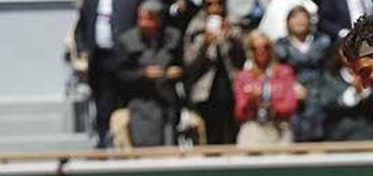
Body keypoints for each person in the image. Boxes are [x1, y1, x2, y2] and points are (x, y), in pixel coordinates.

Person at [74, 0, 144, 148]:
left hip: (126, 59)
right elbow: (81, 28)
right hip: (100, 59)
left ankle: (128, 142)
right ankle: (103, 140)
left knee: (126, 101)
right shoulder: (91, 3)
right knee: (103, 104)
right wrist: (83, 50)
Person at [115, 0, 184, 147]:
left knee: (171, 146)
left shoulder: (174, 37)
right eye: (141, 19)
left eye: (149, 19)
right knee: (147, 146)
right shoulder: (127, 41)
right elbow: (121, 74)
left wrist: (177, 71)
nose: (143, 23)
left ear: (159, 20)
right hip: (142, 104)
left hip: (169, 102)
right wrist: (143, 74)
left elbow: (185, 64)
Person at [184, 0, 246, 144]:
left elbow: (245, 54)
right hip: (206, 90)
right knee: (210, 134)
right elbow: (189, 62)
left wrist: (231, 36)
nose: (215, 8)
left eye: (219, 3)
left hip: (231, 87)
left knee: (232, 134)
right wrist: (204, 43)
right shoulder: (195, 27)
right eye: (210, 4)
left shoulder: (235, 23)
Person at [275, 6, 332, 141]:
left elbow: (329, 69)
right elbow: (278, 72)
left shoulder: (323, 41)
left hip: (319, 92)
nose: (299, 21)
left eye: (303, 16)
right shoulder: (280, 46)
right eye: (295, 17)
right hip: (294, 94)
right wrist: (291, 86)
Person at [233, 31, 298, 146]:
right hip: (253, 126)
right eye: (255, 48)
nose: (261, 51)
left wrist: (271, 105)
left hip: (279, 125)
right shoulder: (243, 77)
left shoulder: (284, 72)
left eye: (265, 47)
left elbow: (290, 105)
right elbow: (239, 112)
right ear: (250, 51)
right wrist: (252, 101)